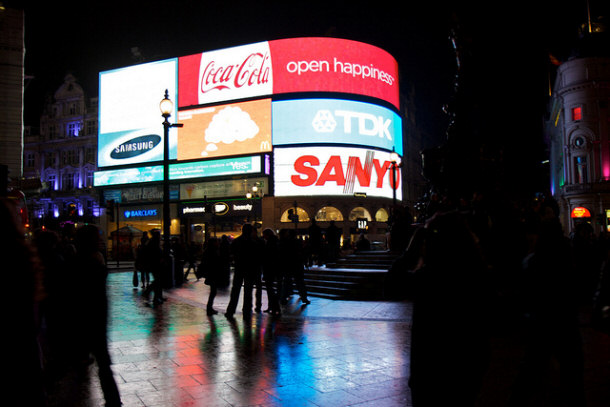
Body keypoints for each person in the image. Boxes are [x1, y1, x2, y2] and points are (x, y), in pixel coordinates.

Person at [405, 211, 490, 406]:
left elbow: (392, 285)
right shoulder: (477, 273)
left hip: (429, 370)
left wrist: (412, 247)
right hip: (466, 367)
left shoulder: (428, 276)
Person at [72, 225, 122, 407]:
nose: (101, 240)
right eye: (97, 237)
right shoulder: (94, 260)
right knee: (102, 366)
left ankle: (110, 400)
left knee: (92, 365)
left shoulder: (82, 260)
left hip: (88, 320)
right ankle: (112, 400)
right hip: (94, 319)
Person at [225, 224, 262, 319]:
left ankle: (231, 310)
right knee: (248, 290)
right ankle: (246, 309)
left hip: (239, 268)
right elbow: (257, 258)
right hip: (250, 269)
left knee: (235, 290)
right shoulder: (253, 243)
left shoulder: (236, 241)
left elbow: (230, 253)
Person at [279, 229, 310, 305]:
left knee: (286, 282)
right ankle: (304, 297)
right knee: (300, 282)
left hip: (288, 264)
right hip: (297, 264)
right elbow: (302, 253)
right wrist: (305, 262)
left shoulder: (286, 242)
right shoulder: (298, 242)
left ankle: (283, 298)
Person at [261, 228, 282, 316]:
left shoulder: (270, 243)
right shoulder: (276, 242)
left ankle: (274, 307)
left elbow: (267, 257)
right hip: (276, 269)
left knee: (270, 289)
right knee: (271, 289)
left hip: (270, 269)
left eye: (264, 235)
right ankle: (273, 306)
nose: (263, 237)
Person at [142, 230, 165, 306]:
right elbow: (156, 254)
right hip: (155, 265)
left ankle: (156, 297)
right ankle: (149, 292)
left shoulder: (150, 242)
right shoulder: (154, 244)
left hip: (153, 265)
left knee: (158, 281)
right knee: (158, 281)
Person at [201, 238, 222, 315]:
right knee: (213, 291)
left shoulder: (208, 251)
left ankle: (209, 307)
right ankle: (209, 308)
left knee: (213, 291)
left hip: (210, 273)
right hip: (212, 273)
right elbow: (215, 262)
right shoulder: (212, 251)